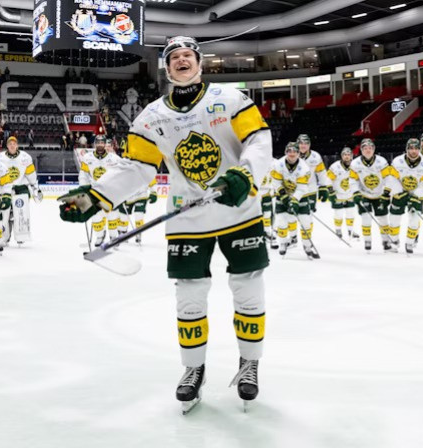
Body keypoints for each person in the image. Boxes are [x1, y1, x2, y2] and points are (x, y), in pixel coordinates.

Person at [57, 36, 271, 413]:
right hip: (189, 215)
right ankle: (193, 370)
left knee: (248, 290)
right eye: (175, 57)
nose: (182, 60)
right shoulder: (152, 117)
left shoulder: (231, 99)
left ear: (199, 63)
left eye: (188, 55)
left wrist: (244, 175)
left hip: (239, 209)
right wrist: (96, 195)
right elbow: (137, 168)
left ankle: (249, 364)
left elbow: (258, 139)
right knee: (189, 298)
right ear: (167, 69)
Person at [271, 142, 316, 258]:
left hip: (301, 197)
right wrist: (284, 196)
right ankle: (282, 243)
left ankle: (307, 245)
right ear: (285, 152)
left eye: (295, 151)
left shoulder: (304, 168)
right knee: (281, 220)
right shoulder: (278, 164)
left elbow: (302, 188)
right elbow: (276, 182)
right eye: (289, 151)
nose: (292, 154)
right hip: (283, 195)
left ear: (298, 153)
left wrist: (294, 200)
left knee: (306, 222)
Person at [387, 138, 423, 254]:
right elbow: (392, 178)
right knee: (394, 219)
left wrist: (416, 196)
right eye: (411, 148)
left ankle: (410, 242)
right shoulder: (397, 161)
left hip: (416, 195)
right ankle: (394, 241)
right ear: (407, 149)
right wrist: (398, 192)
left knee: (414, 220)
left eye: (416, 148)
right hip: (399, 193)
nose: (414, 151)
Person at [0, 136, 42, 245]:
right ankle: (4, 237)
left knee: (21, 212)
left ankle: (21, 234)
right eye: (10, 144)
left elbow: (31, 174)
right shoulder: (0, 157)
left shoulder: (25, 157)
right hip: (6, 188)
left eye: (14, 144)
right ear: (7, 146)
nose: (12, 145)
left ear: (17, 145)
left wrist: (36, 187)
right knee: (4, 213)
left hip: (21, 187)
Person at [349, 138, 393, 252]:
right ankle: (367, 241)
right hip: (364, 194)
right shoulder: (355, 163)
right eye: (365, 148)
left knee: (383, 219)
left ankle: (386, 241)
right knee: (366, 218)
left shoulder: (382, 161)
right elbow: (353, 180)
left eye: (370, 148)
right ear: (361, 150)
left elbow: (388, 178)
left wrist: (386, 192)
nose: (368, 150)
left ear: (374, 149)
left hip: (379, 194)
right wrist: (355, 193)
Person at [76, 135, 120, 247]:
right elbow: (83, 174)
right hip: (94, 191)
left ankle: (114, 237)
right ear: (95, 144)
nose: (100, 144)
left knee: (112, 215)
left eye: (102, 142)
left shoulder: (114, 158)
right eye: (98, 142)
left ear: (105, 144)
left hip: (110, 192)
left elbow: (120, 173)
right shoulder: (87, 157)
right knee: (96, 216)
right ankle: (100, 236)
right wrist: (83, 187)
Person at [327, 147, 359, 240]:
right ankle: (338, 230)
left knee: (350, 213)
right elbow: (328, 179)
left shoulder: (355, 166)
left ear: (352, 156)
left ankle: (351, 231)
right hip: (338, 194)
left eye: (349, 155)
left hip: (350, 194)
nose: (347, 157)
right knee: (339, 213)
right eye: (345, 155)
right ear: (341, 156)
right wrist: (330, 191)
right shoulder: (335, 166)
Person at [117, 177, 157, 243]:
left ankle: (138, 232)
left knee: (138, 214)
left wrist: (153, 193)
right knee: (123, 217)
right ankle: (122, 232)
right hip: (127, 197)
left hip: (141, 196)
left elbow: (151, 179)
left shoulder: (144, 169)